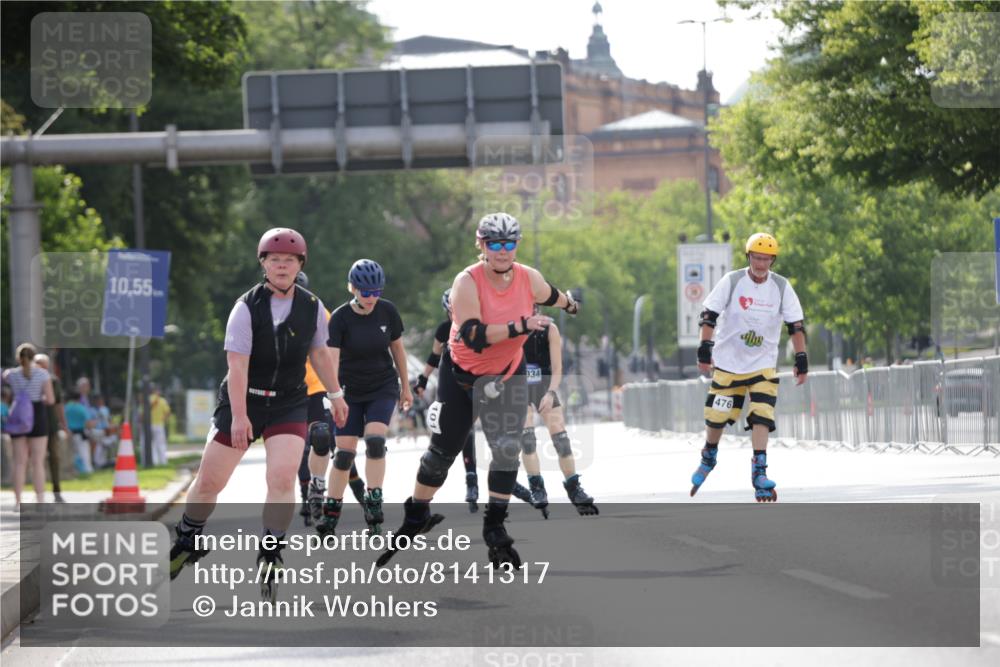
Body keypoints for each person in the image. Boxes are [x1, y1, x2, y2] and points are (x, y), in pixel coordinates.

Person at [378, 212, 580, 568]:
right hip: (461, 376)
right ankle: (416, 513)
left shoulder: (528, 277)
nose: (503, 251)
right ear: (481, 246)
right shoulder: (467, 282)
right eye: (494, 244)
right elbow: (473, 334)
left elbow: (552, 295)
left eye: (510, 243)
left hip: (506, 375)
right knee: (441, 455)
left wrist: (570, 304)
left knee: (506, 449)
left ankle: (495, 527)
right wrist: (520, 325)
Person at [169, 228, 348, 602]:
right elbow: (237, 367)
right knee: (209, 481)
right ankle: (188, 535)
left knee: (282, 476)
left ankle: (271, 549)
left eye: (290, 260)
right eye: (274, 260)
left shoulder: (312, 306)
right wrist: (238, 417)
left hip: (289, 401)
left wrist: (335, 394)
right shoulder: (245, 307)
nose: (282, 266)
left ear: (300, 265)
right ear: (263, 264)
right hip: (244, 398)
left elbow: (319, 355)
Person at [689, 232, 807, 502]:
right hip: (729, 364)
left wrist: (802, 359)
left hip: (763, 365)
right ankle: (709, 455)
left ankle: (759, 472)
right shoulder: (732, 281)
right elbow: (709, 317)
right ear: (748, 256)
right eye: (757, 258)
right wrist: (704, 349)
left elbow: (796, 325)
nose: (761, 264)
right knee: (717, 416)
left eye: (766, 259)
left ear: (772, 260)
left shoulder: (780, 286)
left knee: (762, 414)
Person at [315, 259, 413, 537]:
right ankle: (330, 512)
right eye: (366, 292)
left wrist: (405, 387)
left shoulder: (387, 312)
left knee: (375, 441)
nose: (372, 298)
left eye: (377, 292)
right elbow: (331, 361)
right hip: (349, 391)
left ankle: (374, 500)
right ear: (353, 288)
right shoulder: (340, 318)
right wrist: (334, 397)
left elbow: (398, 351)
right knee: (344, 454)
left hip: (382, 386)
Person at [293, 270, 366, 528]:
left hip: (317, 387)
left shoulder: (319, 312)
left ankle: (362, 496)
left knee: (328, 440)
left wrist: (338, 388)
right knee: (301, 449)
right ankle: (309, 497)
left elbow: (332, 351)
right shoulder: (271, 312)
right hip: (290, 390)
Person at [509, 307, 598, 517]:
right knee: (527, 439)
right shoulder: (511, 328)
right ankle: (537, 487)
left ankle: (574, 488)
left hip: (544, 386)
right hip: (517, 387)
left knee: (561, 438)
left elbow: (557, 368)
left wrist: (550, 393)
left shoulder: (549, 329)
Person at [415, 287, 481, 512]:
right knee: (451, 433)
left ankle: (473, 479)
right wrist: (423, 380)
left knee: (469, 430)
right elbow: (434, 357)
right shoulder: (444, 330)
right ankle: (430, 484)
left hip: (472, 381)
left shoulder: (476, 326)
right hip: (448, 383)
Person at [2, 344, 55, 510]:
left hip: (17, 416)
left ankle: (18, 501)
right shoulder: (42, 374)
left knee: (19, 462)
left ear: (18, 358)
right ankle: (40, 500)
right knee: (38, 462)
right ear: (34, 357)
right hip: (37, 415)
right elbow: (51, 400)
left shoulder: (11, 374)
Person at [32, 354, 68, 502]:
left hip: (51, 425)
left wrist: (63, 424)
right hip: (34, 425)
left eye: (44, 364)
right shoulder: (30, 379)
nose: (42, 367)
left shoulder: (53, 380)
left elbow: (58, 403)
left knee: (54, 457)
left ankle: (56, 488)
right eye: (38, 363)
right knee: (36, 459)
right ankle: (39, 491)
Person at [64, 390, 94, 474]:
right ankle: (87, 470)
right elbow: (88, 423)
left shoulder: (66, 408)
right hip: (81, 434)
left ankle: (75, 471)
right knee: (84, 453)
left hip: (69, 434)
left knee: (72, 454)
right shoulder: (81, 408)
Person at [149, 386, 171, 466]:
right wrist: (164, 419)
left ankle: (154, 462)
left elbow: (142, 413)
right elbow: (168, 412)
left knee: (152, 445)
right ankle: (163, 462)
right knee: (161, 444)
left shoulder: (148, 399)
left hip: (149, 425)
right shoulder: (162, 400)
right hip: (159, 425)